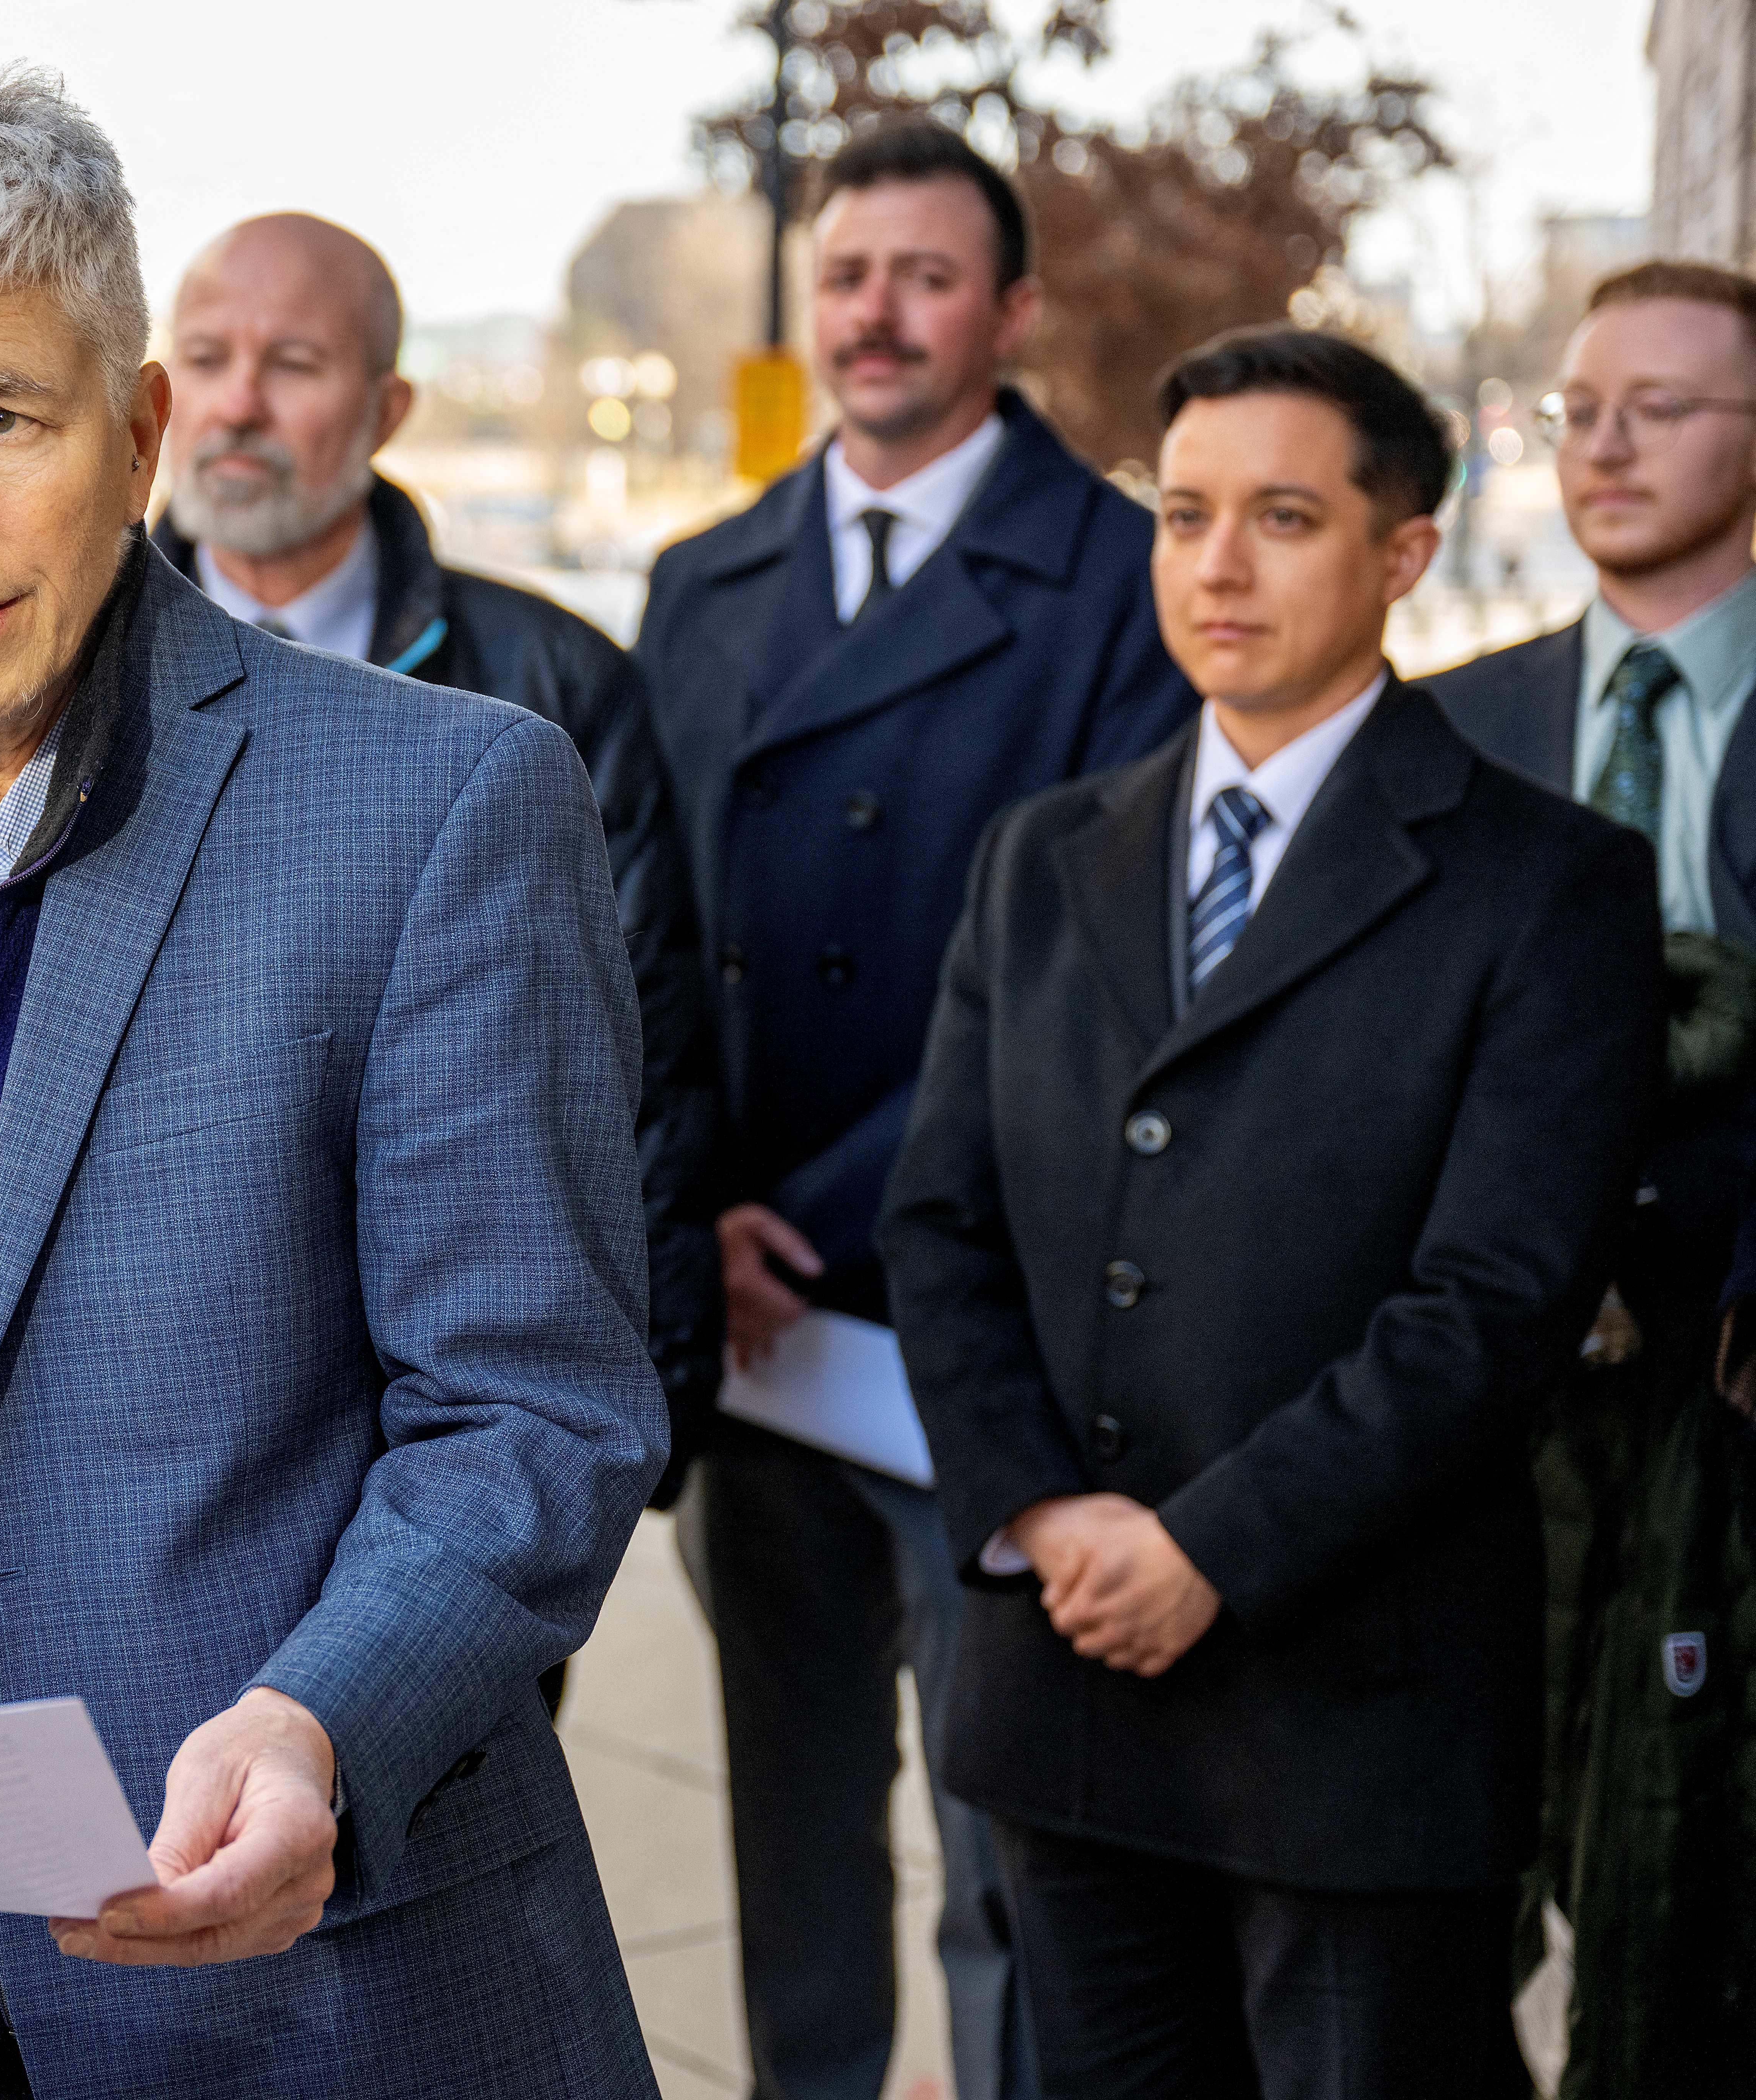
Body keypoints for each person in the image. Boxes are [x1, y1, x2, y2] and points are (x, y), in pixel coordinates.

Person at [0, 67, 665, 2098]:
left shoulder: (441, 804)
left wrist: (320, 1724)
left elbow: (534, 1411)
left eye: (7, 415)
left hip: (273, 1987)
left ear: (141, 429)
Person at [881, 325, 1662, 2098]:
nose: (1218, 564)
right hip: (1070, 1686)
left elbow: (1497, 1302)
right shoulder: (1042, 854)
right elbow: (939, 1223)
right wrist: (1042, 1511)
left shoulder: (1546, 885)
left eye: (1284, 517)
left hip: (1354, 1722)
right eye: (1185, 515)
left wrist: (1212, 1549)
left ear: (1405, 551)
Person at [630, 119, 1194, 2100]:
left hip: (988, 1306)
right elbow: (644, 930)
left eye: (928, 278)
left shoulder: (1126, 578)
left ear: (1012, 311)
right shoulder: (702, 582)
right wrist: (692, 1211)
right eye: (850, 276)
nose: (878, 315)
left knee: (1006, 1853)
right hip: (749, 1322)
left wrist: (820, 1216)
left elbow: (1095, 967)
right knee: (789, 1830)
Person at [153, 216, 721, 1559]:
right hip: (163, 1429)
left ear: (388, 407)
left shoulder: (552, 683)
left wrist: (630, 1416)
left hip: (460, 1429)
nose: (239, 404)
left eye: (294, 363)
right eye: (208, 359)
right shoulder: (68, 672)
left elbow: (642, 1068)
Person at [1427, 257, 1756, 2093]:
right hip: (1495, 1408)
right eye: (1582, 408)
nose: (1606, 445)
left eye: (1664, 407)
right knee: (1453, 1888)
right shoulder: (1455, 726)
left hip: (1729, 1404)